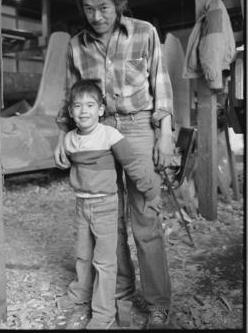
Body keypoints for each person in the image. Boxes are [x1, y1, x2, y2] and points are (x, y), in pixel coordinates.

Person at [54, 0, 175, 329]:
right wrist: (63, 137)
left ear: (118, 2)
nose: (97, 16)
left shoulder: (144, 33)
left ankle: (157, 302)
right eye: (89, 9)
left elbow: (162, 84)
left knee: (145, 218)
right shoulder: (77, 45)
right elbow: (70, 98)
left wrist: (165, 134)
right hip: (98, 132)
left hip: (138, 127)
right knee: (109, 219)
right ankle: (119, 290)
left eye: (103, 7)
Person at [61, 79, 163, 329]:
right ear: (71, 112)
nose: (83, 111)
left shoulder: (110, 135)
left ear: (100, 110)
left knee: (104, 263)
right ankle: (80, 293)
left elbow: (133, 166)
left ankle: (103, 314)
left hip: (105, 207)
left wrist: (150, 193)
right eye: (77, 106)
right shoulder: (69, 139)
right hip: (81, 206)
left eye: (90, 105)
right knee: (83, 255)